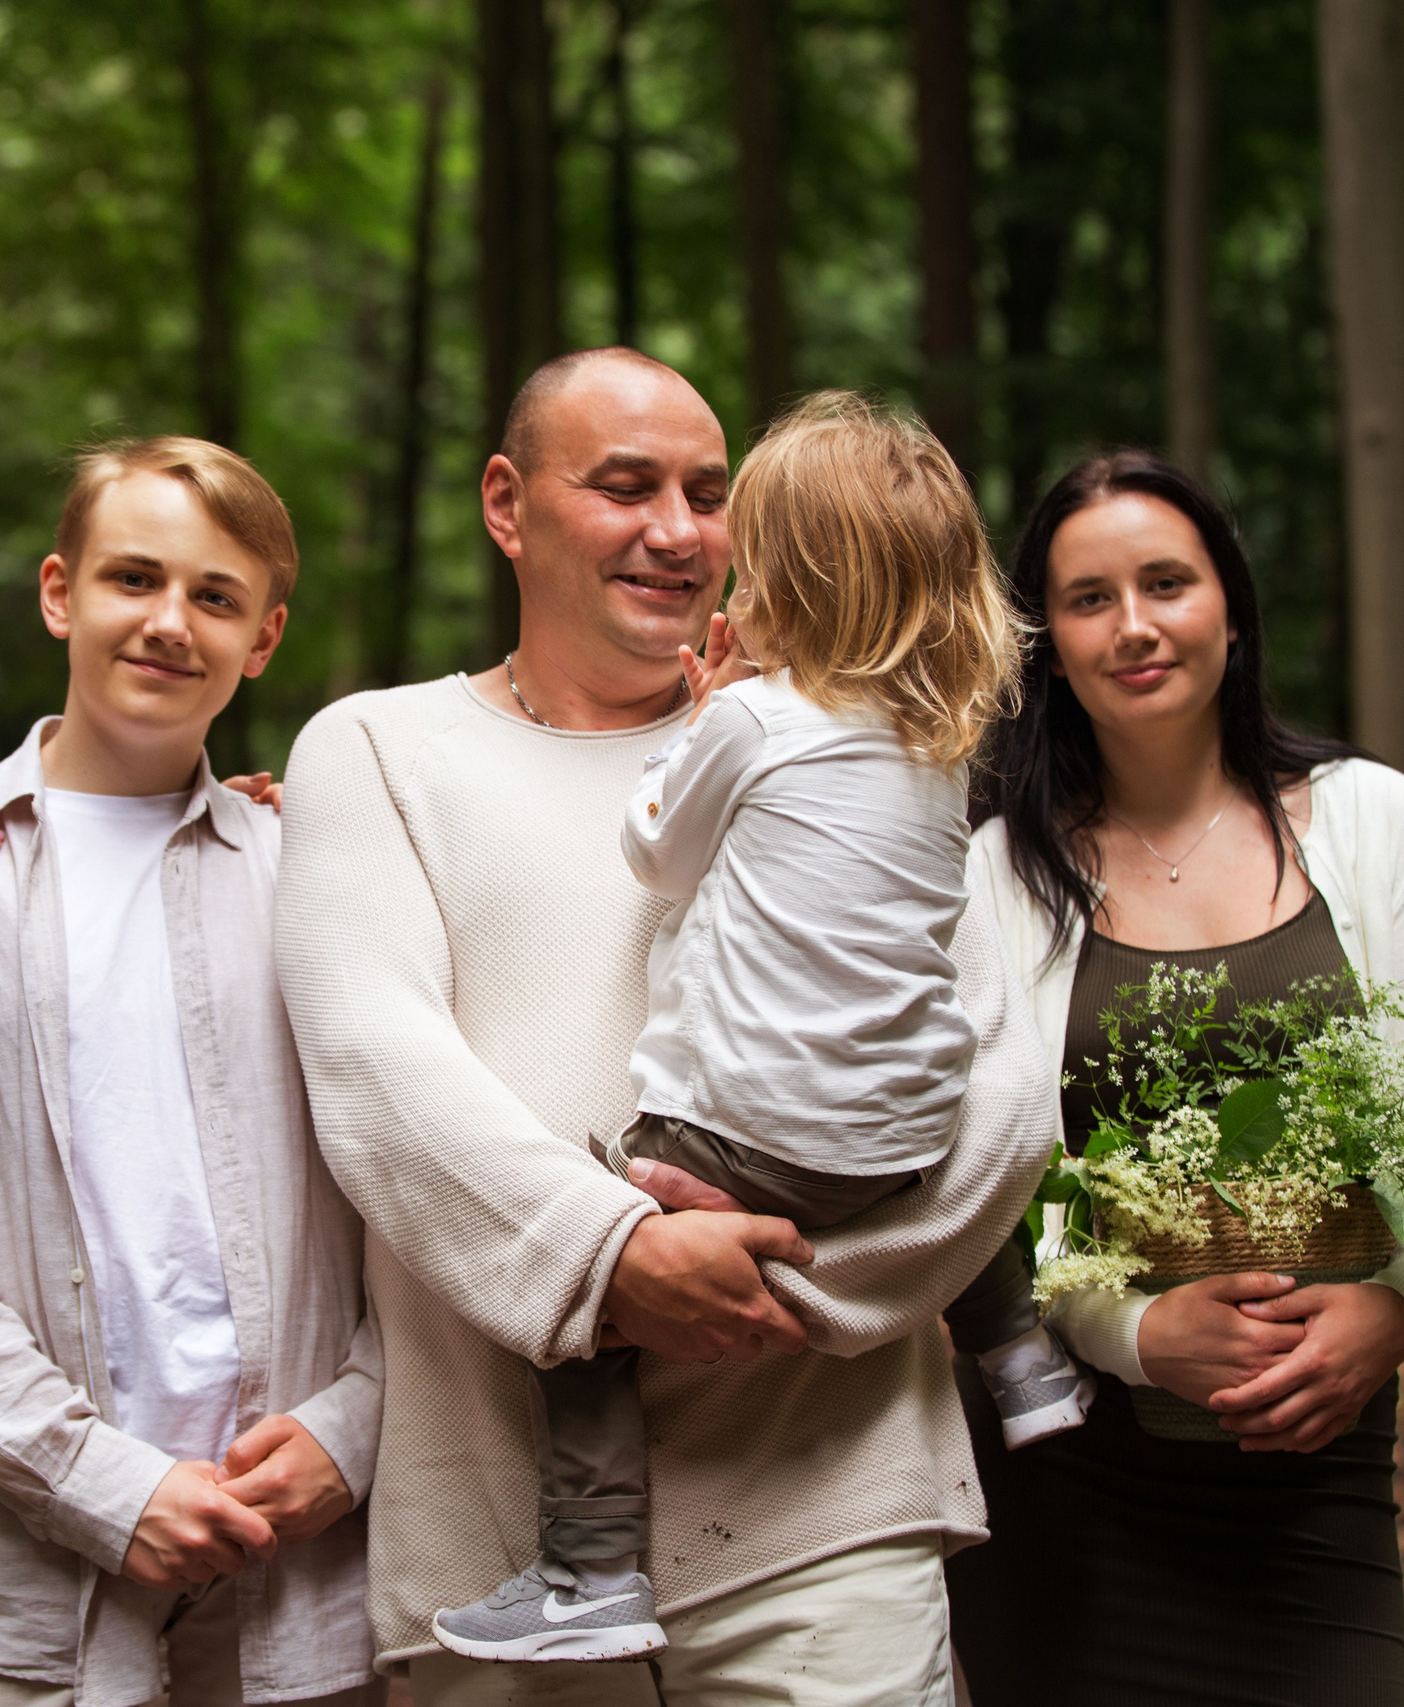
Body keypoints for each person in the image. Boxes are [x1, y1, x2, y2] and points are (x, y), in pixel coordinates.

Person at [276, 348, 1056, 1706]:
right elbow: (374, 1066)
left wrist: (776, 1289)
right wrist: (613, 1258)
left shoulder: (879, 746)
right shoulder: (377, 750)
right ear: (508, 503)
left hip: (827, 1508)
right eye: (625, 485)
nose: (680, 531)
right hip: (500, 1539)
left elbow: (996, 1093)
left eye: (710, 493)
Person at [0, 437, 386, 1707]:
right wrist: (101, 1484)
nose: (167, 623)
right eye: (133, 578)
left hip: (294, 1578)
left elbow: (407, 1184)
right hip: (22, 1585)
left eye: (214, 597)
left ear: (265, 639)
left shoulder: (315, 874)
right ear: (56, 592)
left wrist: (355, 1430)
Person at [944, 451, 1404, 1706]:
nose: (1132, 625)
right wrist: (1130, 1333)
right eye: (1088, 599)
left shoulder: (1371, 820)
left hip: (1321, 1456)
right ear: (1048, 646)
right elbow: (989, 1182)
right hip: (1070, 1465)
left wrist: (1395, 1312)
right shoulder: (996, 873)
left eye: (1165, 583)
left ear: (1229, 612)